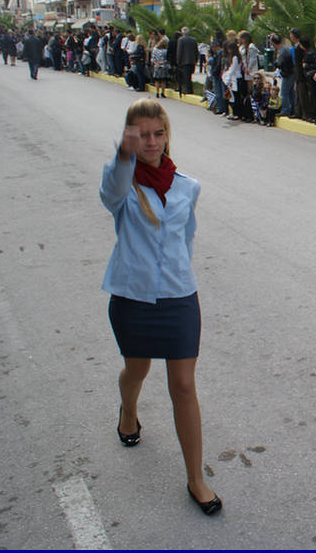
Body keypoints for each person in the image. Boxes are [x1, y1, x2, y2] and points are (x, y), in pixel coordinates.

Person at [99, 98, 222, 516]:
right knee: (136, 370)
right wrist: (123, 154)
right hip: (132, 298)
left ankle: (196, 478)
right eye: (141, 135)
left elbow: (186, 239)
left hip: (179, 297)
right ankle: (128, 410)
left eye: (157, 133)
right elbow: (109, 193)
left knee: (183, 386)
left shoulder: (188, 186)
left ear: (167, 135)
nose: (150, 142)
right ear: (130, 137)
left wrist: (176, 275)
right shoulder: (123, 183)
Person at [272, 33, 295, 117]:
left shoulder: (282, 51)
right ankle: (293, 108)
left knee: (284, 93)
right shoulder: (284, 49)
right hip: (290, 72)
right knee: (291, 92)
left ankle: (285, 110)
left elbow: (278, 63)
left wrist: (274, 62)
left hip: (287, 73)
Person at [221, 41, 244, 120]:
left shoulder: (235, 58)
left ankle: (237, 114)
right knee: (233, 97)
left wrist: (227, 77)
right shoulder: (237, 57)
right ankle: (234, 113)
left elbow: (232, 69)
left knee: (235, 97)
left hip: (235, 79)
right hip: (235, 78)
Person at [176, 27, 199, 98]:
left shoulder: (181, 40)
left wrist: (178, 61)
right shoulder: (194, 40)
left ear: (182, 32)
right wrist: (196, 60)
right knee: (189, 76)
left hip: (184, 61)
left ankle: (188, 90)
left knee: (186, 76)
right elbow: (196, 51)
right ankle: (190, 89)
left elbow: (179, 51)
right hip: (192, 61)